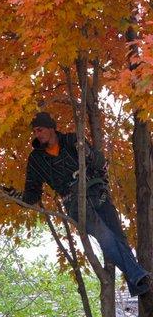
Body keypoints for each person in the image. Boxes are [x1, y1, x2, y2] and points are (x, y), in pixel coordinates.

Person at [13, 111, 151, 297]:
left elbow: (99, 162)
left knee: (119, 238)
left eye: (40, 130)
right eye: (35, 132)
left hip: (97, 193)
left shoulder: (72, 140)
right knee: (105, 237)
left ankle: (140, 285)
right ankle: (138, 276)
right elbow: (32, 195)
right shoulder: (36, 160)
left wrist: (87, 153)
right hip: (75, 203)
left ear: (51, 128)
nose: (37, 134)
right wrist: (16, 197)